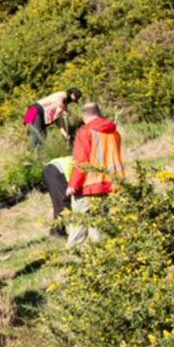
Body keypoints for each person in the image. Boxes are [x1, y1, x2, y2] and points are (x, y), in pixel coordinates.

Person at [66, 103, 124, 248]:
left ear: (84, 116)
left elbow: (81, 161)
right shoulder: (114, 132)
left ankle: (73, 256)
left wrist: (73, 184)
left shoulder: (85, 131)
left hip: (89, 185)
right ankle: (99, 257)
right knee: (99, 224)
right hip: (110, 182)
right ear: (99, 112)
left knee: (79, 224)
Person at [44, 154, 73, 238]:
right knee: (64, 204)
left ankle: (56, 232)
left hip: (52, 169)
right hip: (57, 171)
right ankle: (58, 232)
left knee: (59, 204)